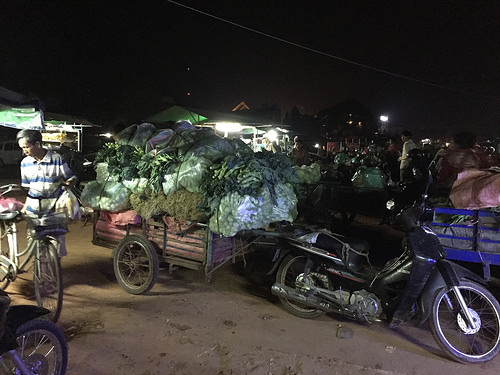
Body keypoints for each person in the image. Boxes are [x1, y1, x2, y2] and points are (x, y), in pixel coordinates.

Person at [17, 129, 77, 256]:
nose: (24, 151)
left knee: (56, 245)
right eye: (22, 148)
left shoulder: (56, 159)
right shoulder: (25, 163)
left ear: (38, 144)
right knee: (34, 244)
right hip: (33, 210)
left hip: (54, 211)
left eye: (26, 147)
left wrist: (68, 184)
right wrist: (25, 208)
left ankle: (54, 270)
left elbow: (71, 177)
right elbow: (28, 189)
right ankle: (38, 271)